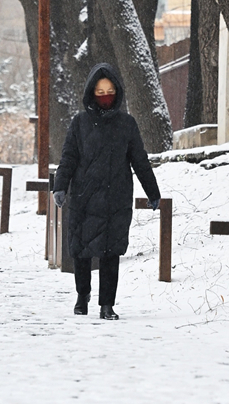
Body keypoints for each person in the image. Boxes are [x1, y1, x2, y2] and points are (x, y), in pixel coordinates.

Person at [52, 63, 161, 320]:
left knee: (111, 253)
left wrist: (152, 192)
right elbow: (68, 157)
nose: (105, 96)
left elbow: (140, 161)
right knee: (81, 251)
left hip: (116, 198)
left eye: (110, 90)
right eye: (100, 91)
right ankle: (82, 295)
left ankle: (107, 305)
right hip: (84, 198)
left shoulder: (127, 124)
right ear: (91, 92)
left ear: (118, 92)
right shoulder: (79, 123)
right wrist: (60, 186)